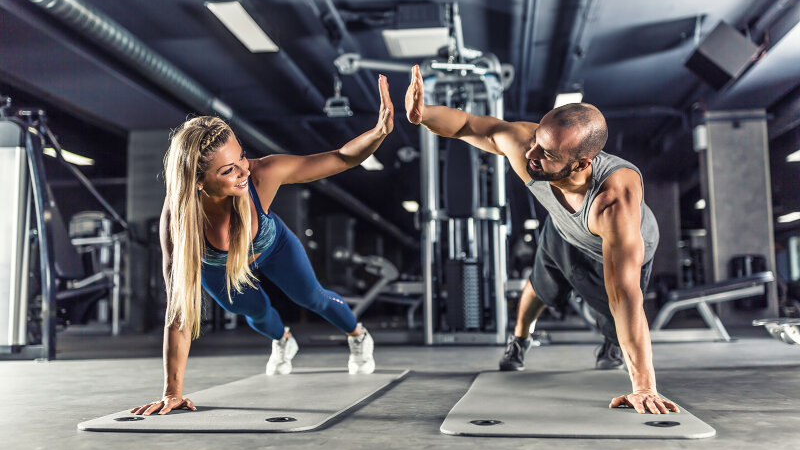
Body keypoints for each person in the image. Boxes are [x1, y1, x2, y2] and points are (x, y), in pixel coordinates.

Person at [405, 65, 677, 414]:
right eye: (536, 143)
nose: (530, 156)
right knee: (537, 285)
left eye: (547, 155)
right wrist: (423, 114)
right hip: (562, 228)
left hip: (608, 243)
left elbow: (624, 294)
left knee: (614, 313)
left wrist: (644, 387)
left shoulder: (612, 202)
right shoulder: (528, 147)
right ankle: (519, 340)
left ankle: (610, 343)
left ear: (582, 165)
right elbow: (468, 125)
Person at [131, 76, 394, 416]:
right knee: (254, 312)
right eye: (228, 170)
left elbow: (341, 157)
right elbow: (179, 310)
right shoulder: (179, 221)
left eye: (241, 156)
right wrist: (172, 392)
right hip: (220, 266)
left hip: (273, 247)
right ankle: (283, 340)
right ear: (198, 182)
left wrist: (379, 133)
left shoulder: (261, 175)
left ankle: (358, 336)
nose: (243, 170)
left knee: (310, 296)